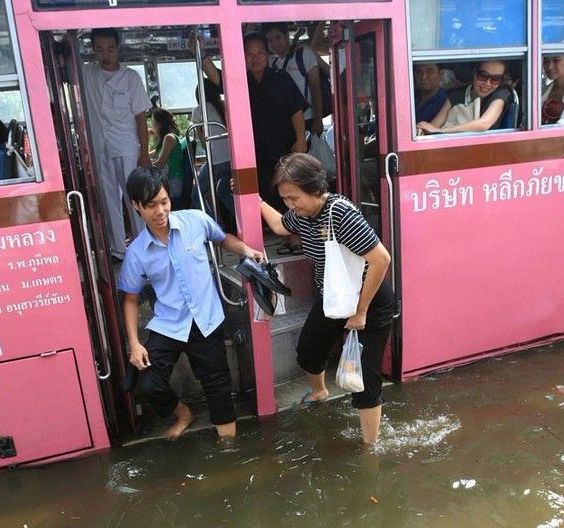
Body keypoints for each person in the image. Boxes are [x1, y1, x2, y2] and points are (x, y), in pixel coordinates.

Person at [259, 153, 394, 445]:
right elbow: (282, 225)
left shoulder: (340, 214)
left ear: (315, 188)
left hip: (368, 300)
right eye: (285, 199)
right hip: (333, 298)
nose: (290, 205)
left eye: (294, 197)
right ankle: (320, 391)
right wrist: (254, 201)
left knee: (364, 379)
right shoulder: (302, 214)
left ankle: (369, 447)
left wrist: (360, 313)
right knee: (308, 349)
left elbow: (381, 260)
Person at [119, 166, 263, 439]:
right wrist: (135, 343)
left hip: (206, 319)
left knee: (217, 384)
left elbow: (222, 239)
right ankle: (183, 412)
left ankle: (228, 447)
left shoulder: (196, 220)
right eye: (151, 206)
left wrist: (247, 250)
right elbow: (130, 298)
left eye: (164, 202)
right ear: (137, 206)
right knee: (147, 383)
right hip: (169, 323)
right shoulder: (136, 253)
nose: (160, 211)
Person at [197, 33, 307, 213]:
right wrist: (201, 53)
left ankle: (294, 238)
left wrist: (301, 139)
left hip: (285, 149)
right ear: (243, 56)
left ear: (267, 54)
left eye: (260, 52)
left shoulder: (282, 79)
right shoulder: (239, 82)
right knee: (261, 197)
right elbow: (216, 77)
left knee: (289, 192)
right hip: (254, 153)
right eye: (250, 54)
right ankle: (266, 235)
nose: (255, 58)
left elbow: (297, 110)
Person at [83, 27, 151, 259]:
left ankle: (145, 244)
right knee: (109, 198)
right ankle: (118, 249)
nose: (105, 54)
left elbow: (141, 118)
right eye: (100, 49)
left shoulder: (131, 77)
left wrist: (145, 153)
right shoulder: (87, 74)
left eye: (110, 49)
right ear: (93, 50)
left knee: (134, 198)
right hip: (99, 147)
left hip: (127, 146)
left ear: (117, 47)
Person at [262, 22, 326, 136]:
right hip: (283, 124)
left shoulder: (303, 53)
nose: (275, 43)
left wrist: (318, 119)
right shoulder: (271, 62)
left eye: (278, 37)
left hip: (307, 120)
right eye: (270, 40)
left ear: (286, 35)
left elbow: (315, 87)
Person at [416, 60, 512, 135]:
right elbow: (433, 126)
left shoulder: (500, 94)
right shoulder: (458, 94)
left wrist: (442, 131)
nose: (487, 83)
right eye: (483, 76)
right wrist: (423, 129)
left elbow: (483, 124)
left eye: (495, 79)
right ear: (474, 73)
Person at [190, 79, 235, 231]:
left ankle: (215, 228)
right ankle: (241, 221)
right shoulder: (224, 106)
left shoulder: (198, 110)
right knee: (222, 190)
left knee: (196, 195)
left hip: (215, 161)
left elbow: (203, 143)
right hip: (231, 159)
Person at [149, 107, 186, 202]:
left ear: (159, 124)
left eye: (153, 122)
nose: (151, 125)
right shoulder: (163, 141)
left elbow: (160, 164)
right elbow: (148, 155)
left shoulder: (169, 138)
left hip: (173, 183)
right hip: (168, 181)